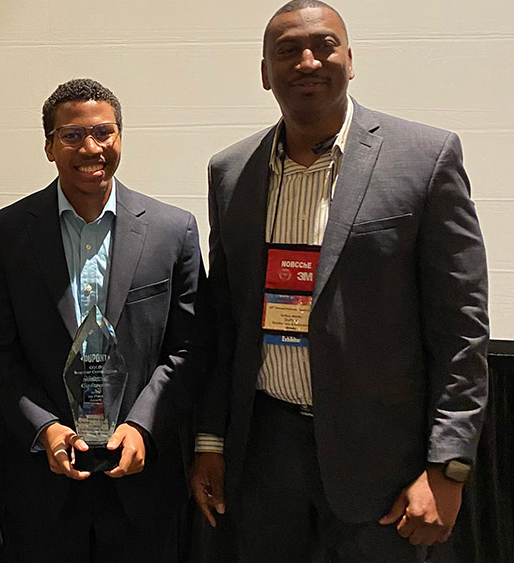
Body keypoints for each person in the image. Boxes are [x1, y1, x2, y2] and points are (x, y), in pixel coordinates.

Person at [189, 2, 490, 561]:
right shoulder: (230, 172)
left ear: (350, 60)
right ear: (264, 73)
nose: (307, 61)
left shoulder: (424, 158)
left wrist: (447, 468)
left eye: (324, 45)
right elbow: (225, 322)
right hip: (264, 458)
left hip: (385, 465)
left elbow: (461, 329)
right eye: (287, 51)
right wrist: (211, 439)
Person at [0, 78, 211, 562]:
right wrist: (45, 429)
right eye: (72, 136)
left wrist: (145, 425)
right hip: (44, 482)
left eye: (104, 133)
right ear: (48, 147)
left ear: (120, 137)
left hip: (142, 478)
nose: (91, 148)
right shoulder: (4, 233)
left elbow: (189, 348)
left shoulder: (173, 231)